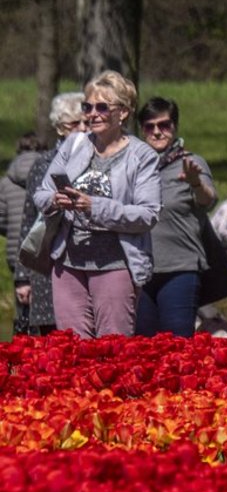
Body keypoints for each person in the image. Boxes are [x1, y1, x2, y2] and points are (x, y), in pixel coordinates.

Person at [34, 70, 161, 338]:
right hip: (67, 264)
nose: (92, 113)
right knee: (72, 350)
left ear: (123, 112)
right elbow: (41, 193)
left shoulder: (142, 156)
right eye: (87, 107)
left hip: (115, 264)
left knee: (113, 350)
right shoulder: (74, 143)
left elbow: (147, 214)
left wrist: (94, 206)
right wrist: (55, 200)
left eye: (102, 107)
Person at [135, 96, 218, 338]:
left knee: (177, 347)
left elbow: (208, 200)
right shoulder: (134, 166)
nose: (157, 132)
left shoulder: (190, 163)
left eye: (164, 125)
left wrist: (195, 184)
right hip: (140, 269)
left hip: (180, 268)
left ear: (175, 127)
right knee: (142, 349)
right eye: (149, 126)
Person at [14, 97, 85, 336]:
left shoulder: (97, 159)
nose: (82, 129)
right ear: (59, 128)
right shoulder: (43, 165)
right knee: (50, 343)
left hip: (85, 259)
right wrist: (22, 277)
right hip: (48, 266)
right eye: (74, 124)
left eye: (85, 122)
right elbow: (29, 221)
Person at [0, 132, 44, 333]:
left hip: (15, 254)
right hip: (43, 250)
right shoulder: (47, 173)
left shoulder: (6, 182)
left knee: (22, 309)